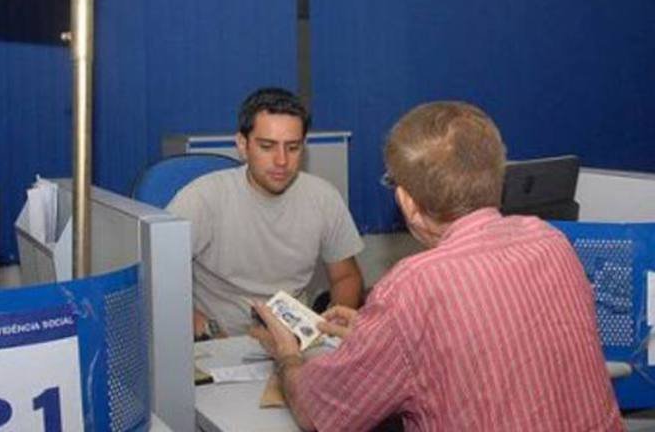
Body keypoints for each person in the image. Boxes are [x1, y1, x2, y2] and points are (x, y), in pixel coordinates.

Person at [253, 101, 623, 431]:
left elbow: (319, 413)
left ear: (406, 201)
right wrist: (376, 337)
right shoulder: (553, 242)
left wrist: (287, 355)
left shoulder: (413, 286)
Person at [166, 87, 364, 338]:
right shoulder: (201, 199)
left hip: (292, 338)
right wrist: (202, 326)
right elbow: (156, 279)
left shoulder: (323, 197)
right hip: (220, 340)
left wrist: (330, 329)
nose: (282, 161)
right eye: (267, 146)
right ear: (242, 145)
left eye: (292, 148)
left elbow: (346, 276)